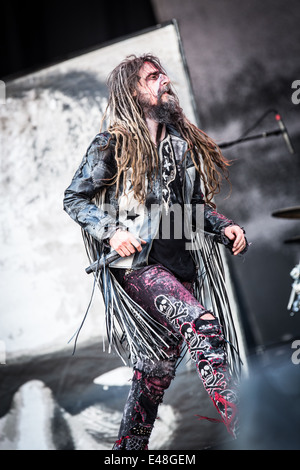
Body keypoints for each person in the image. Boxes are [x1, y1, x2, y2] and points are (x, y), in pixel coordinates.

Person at [63, 54, 248, 450]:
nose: (164, 80)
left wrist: (226, 226)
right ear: (134, 90)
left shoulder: (178, 146)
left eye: (163, 73)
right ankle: (255, 435)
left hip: (180, 267)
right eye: (152, 76)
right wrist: (111, 232)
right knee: (204, 327)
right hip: (140, 268)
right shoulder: (111, 144)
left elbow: (193, 209)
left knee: (155, 375)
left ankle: (127, 452)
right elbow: (74, 198)